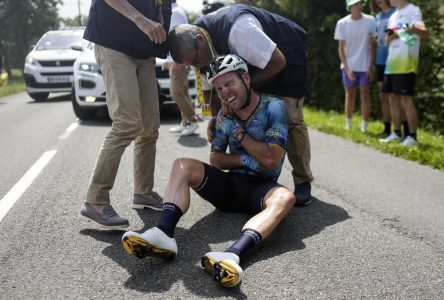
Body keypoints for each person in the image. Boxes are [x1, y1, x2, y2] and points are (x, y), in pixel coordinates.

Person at [122, 54, 295, 288]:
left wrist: (239, 134)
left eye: (229, 83)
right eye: (219, 88)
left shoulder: (274, 107)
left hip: (260, 190)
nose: (224, 92)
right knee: (182, 164)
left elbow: (271, 160)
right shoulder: (224, 115)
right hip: (228, 189)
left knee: (285, 198)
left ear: (245, 78)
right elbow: (216, 160)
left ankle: (232, 255)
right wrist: (248, 158)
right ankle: (163, 233)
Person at [168, 4, 314, 206]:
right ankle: (259, 175)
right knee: (244, 112)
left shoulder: (239, 30)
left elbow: (277, 62)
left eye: (194, 60)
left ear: (200, 41)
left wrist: (245, 90)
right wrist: (215, 119)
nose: (195, 66)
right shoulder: (199, 51)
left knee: (292, 118)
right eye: (189, 65)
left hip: (284, 56)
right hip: (249, 71)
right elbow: (209, 90)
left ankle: (303, 181)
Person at [79, 0, 171, 228]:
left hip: (144, 49)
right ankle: (95, 200)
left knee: (150, 127)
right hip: (114, 42)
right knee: (127, 123)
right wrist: (140, 19)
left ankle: (144, 193)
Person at [380, 0, 427, 146]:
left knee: (406, 100)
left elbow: (422, 30)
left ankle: (412, 136)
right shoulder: (394, 15)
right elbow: (388, 38)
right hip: (391, 63)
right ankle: (396, 133)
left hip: (407, 63)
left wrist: (399, 31)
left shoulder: (413, 10)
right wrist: (391, 35)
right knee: (392, 99)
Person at [334, 0, 377, 133]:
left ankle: (364, 127)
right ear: (350, 7)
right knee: (349, 95)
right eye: (357, 4)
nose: (360, 6)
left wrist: (371, 66)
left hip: (365, 66)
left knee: (365, 96)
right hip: (349, 66)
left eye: (361, 4)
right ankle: (349, 124)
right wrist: (346, 68)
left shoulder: (371, 20)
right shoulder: (342, 23)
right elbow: (341, 48)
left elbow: (374, 46)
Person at [164, 0, 199, 136]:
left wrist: (176, 62)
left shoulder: (175, 12)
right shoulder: (175, 11)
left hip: (179, 60)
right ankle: (185, 123)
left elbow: (178, 40)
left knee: (176, 93)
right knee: (183, 91)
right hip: (177, 59)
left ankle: (192, 121)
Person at [371, 0, 396, 137]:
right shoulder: (377, 18)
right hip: (380, 61)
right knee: (383, 96)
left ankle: (401, 130)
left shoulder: (395, 13)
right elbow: (375, 42)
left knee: (394, 96)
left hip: (393, 60)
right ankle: (387, 129)